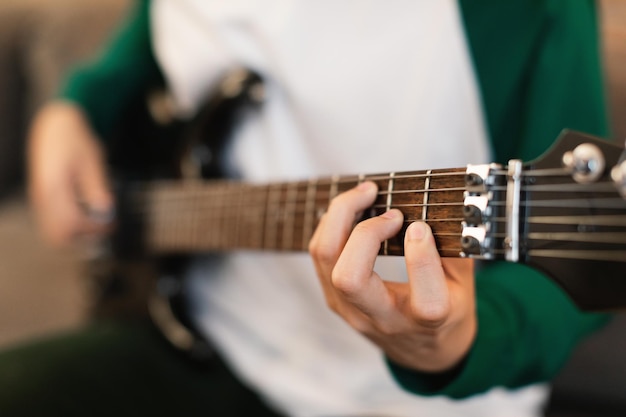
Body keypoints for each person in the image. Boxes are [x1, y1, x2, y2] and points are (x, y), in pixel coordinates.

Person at [2, 0, 611, 416]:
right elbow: (163, 23)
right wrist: (77, 106)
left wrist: (455, 343)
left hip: (397, 400)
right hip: (205, 332)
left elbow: (591, 245)